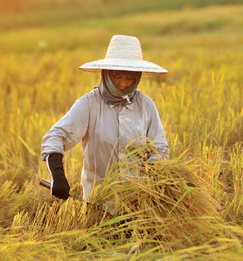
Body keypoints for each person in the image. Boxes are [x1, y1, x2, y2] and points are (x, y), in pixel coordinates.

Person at [41, 35, 169, 201]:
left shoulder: (146, 106)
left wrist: (154, 184)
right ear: (107, 73)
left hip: (138, 202)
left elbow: (159, 149)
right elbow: (55, 136)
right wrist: (58, 176)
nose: (123, 84)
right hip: (99, 202)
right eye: (117, 76)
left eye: (130, 77)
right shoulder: (89, 104)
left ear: (137, 77)